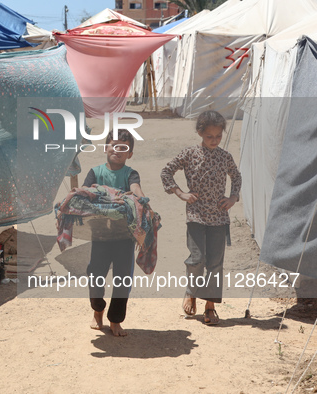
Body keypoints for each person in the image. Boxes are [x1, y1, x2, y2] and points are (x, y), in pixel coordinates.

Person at [160, 110, 242, 325]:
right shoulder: (189, 154)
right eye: (209, 136)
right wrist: (180, 193)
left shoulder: (225, 157)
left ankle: (210, 306)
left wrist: (233, 197)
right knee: (197, 259)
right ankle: (191, 292)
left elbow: (236, 176)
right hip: (196, 215)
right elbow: (166, 172)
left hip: (219, 217)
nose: (214, 141)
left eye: (218, 136)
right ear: (200, 133)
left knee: (215, 262)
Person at [83, 129, 145, 337]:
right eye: (113, 145)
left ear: (130, 154)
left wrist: (142, 202)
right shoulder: (95, 172)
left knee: (122, 279)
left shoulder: (130, 174)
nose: (117, 150)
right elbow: (84, 194)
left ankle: (115, 320)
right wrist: (109, 198)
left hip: (124, 237)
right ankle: (98, 309)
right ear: (105, 148)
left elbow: (135, 189)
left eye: (123, 147)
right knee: (95, 276)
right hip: (100, 235)